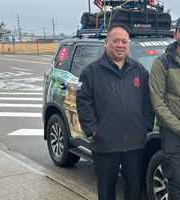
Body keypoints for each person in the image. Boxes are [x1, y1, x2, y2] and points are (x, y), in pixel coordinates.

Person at [76, 24, 154, 200]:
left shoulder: (139, 70)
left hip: (134, 142)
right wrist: (93, 130)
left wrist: (146, 126)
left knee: (134, 189)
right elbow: (83, 103)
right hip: (105, 143)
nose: (120, 45)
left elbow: (147, 101)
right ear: (106, 43)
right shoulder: (91, 72)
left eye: (124, 41)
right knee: (106, 191)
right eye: (116, 41)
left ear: (128, 44)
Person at [149, 18, 180, 200]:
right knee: (176, 180)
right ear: (175, 34)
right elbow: (158, 102)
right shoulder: (162, 64)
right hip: (172, 132)